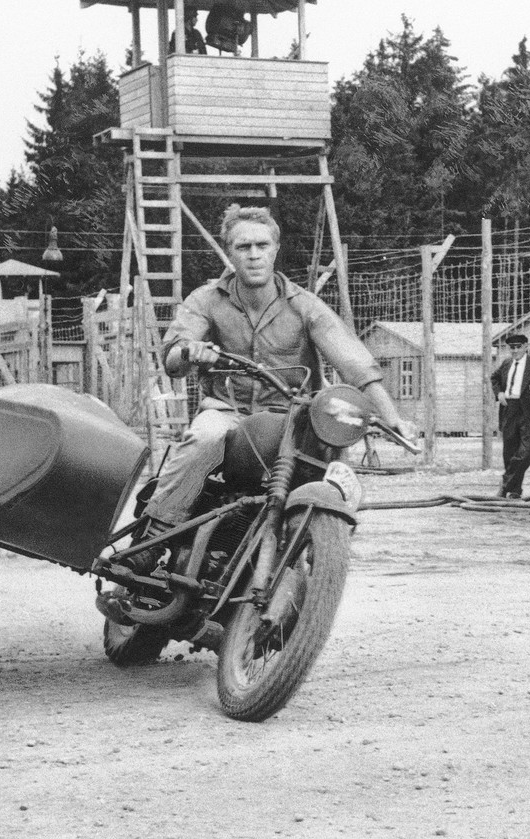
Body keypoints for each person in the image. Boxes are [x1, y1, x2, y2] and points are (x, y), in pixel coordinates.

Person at [126, 204, 414, 572]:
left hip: (292, 417)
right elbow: (172, 359)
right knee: (203, 436)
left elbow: (354, 363)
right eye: (243, 246)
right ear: (229, 252)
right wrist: (189, 350)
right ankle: (153, 537)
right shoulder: (206, 300)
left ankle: (322, 550)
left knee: (334, 460)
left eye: (262, 245)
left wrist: (392, 417)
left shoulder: (304, 306)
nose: (254, 254)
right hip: (228, 413)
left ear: (276, 249)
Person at [490, 333, 530, 499]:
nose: (515, 350)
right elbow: (494, 378)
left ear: (525, 347)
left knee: (525, 453)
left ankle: (505, 485)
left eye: (518, 347)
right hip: (509, 409)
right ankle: (515, 491)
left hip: (529, 411)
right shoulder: (506, 363)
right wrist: (499, 393)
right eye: (512, 348)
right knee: (509, 452)